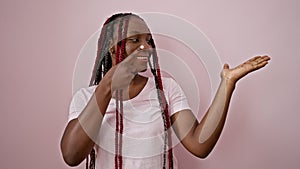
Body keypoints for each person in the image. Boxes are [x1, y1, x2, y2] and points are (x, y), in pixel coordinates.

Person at [60, 13, 270, 169]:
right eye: (135, 40)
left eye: (148, 40)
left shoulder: (166, 89)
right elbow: (71, 156)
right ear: (113, 48)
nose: (147, 47)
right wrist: (107, 86)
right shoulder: (86, 97)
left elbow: (200, 145)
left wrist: (227, 83)